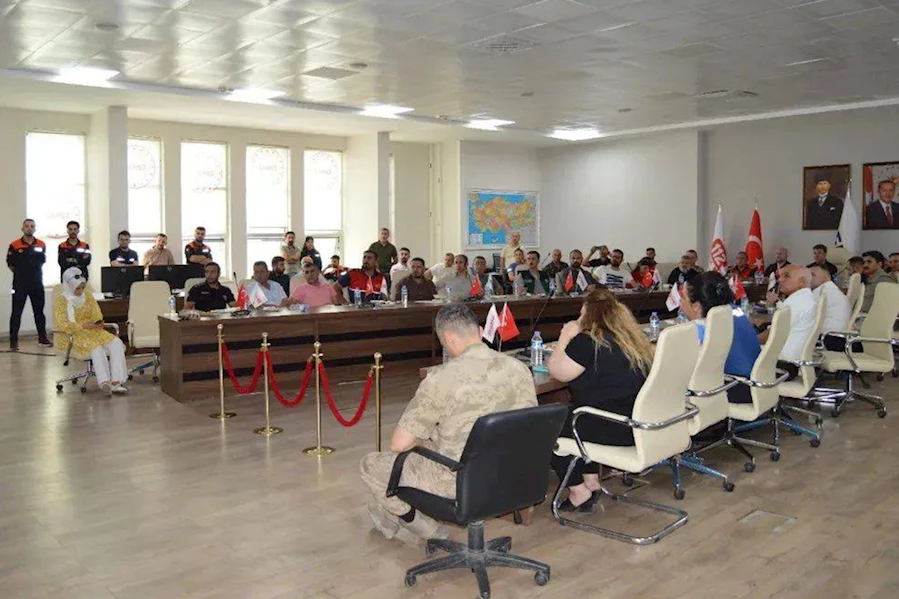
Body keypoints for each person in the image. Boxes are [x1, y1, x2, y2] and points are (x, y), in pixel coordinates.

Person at [360, 303, 537, 540]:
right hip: (515, 473)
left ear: (449, 339)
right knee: (428, 445)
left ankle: (429, 529)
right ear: (480, 330)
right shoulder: (519, 369)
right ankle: (388, 519)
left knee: (372, 465)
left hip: (459, 481)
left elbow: (399, 444)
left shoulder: (441, 378)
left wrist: (423, 439)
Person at [547, 288, 654, 510]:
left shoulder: (587, 342)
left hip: (614, 427)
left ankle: (579, 491)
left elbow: (557, 371)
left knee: (547, 424)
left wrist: (565, 337)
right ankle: (592, 481)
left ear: (589, 316)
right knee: (583, 409)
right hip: (639, 424)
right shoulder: (633, 341)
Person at [680, 272, 760, 404]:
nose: (680, 304)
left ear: (696, 306)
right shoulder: (734, 310)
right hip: (756, 381)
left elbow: (692, 366)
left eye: (683, 298)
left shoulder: (706, 326)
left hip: (739, 387)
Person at [54, 267, 128, 395]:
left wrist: (96, 322)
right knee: (96, 348)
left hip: (93, 331)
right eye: (77, 288)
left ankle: (116, 382)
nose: (80, 291)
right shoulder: (61, 300)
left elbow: (97, 314)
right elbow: (62, 324)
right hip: (73, 334)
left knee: (116, 343)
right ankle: (104, 383)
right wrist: (82, 325)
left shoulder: (87, 295)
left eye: (82, 287)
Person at [759, 265, 816, 380]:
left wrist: (749, 341)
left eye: (786, 276)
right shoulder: (805, 298)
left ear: (801, 282)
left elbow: (772, 335)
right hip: (793, 361)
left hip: (781, 365)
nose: (780, 280)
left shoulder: (797, 302)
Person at [7, 219, 51, 350]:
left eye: (32, 226)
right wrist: (21, 274)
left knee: (39, 312)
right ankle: (13, 342)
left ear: (35, 229)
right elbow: (10, 264)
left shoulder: (41, 244)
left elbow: (42, 261)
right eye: (27, 226)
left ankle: (42, 339)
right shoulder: (15, 245)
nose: (29, 228)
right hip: (20, 284)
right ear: (23, 228)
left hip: (37, 283)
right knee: (16, 313)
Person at [809, 264, 851, 351]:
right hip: (837, 338)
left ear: (825, 276)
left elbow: (804, 314)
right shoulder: (832, 290)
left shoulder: (823, 291)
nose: (809, 278)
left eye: (813, 275)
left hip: (828, 339)